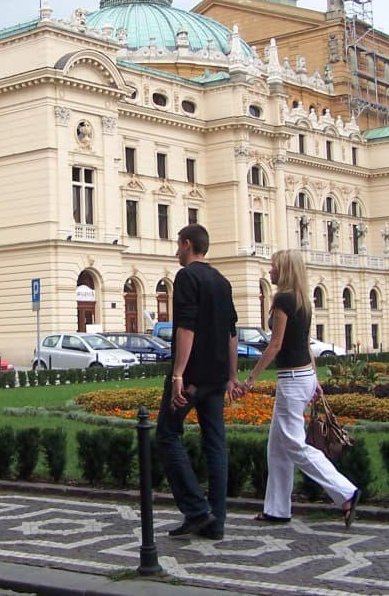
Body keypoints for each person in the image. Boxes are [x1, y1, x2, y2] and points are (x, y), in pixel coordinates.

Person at [237, 249, 360, 527]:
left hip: (292, 379)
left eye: (273, 267)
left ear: (284, 270)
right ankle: (277, 510)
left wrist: (252, 378)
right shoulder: (304, 300)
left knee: (292, 444)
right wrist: (314, 380)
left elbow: (276, 344)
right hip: (303, 376)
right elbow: (305, 344)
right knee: (277, 448)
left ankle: (346, 492)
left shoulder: (282, 299)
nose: (270, 271)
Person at [156, 224, 241, 540]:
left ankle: (197, 510)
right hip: (217, 376)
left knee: (166, 435)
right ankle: (216, 522)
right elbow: (232, 333)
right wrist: (232, 375)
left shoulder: (187, 277)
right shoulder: (222, 281)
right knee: (216, 444)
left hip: (192, 377)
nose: (177, 251)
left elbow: (186, 328)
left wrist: (178, 374)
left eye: (178, 245)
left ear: (188, 244)